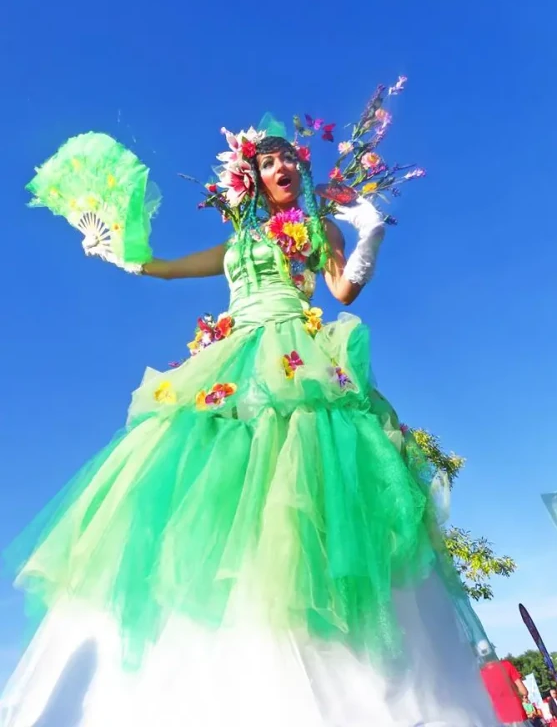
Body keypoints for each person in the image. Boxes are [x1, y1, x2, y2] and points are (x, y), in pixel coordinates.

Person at [0, 108, 500, 726]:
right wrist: (119, 254)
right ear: (253, 177)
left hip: (298, 353)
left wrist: (370, 232)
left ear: (300, 167)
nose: (281, 165)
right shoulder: (238, 241)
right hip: (234, 357)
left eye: (288, 156)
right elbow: (165, 266)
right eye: (267, 161)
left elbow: (343, 292)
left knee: (309, 478)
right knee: (205, 482)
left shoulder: (319, 227)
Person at [478, 640, 531, 726]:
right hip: (518, 714)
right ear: (493, 650)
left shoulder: (481, 675)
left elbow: (487, 700)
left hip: (501, 719)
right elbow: (524, 691)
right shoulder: (506, 665)